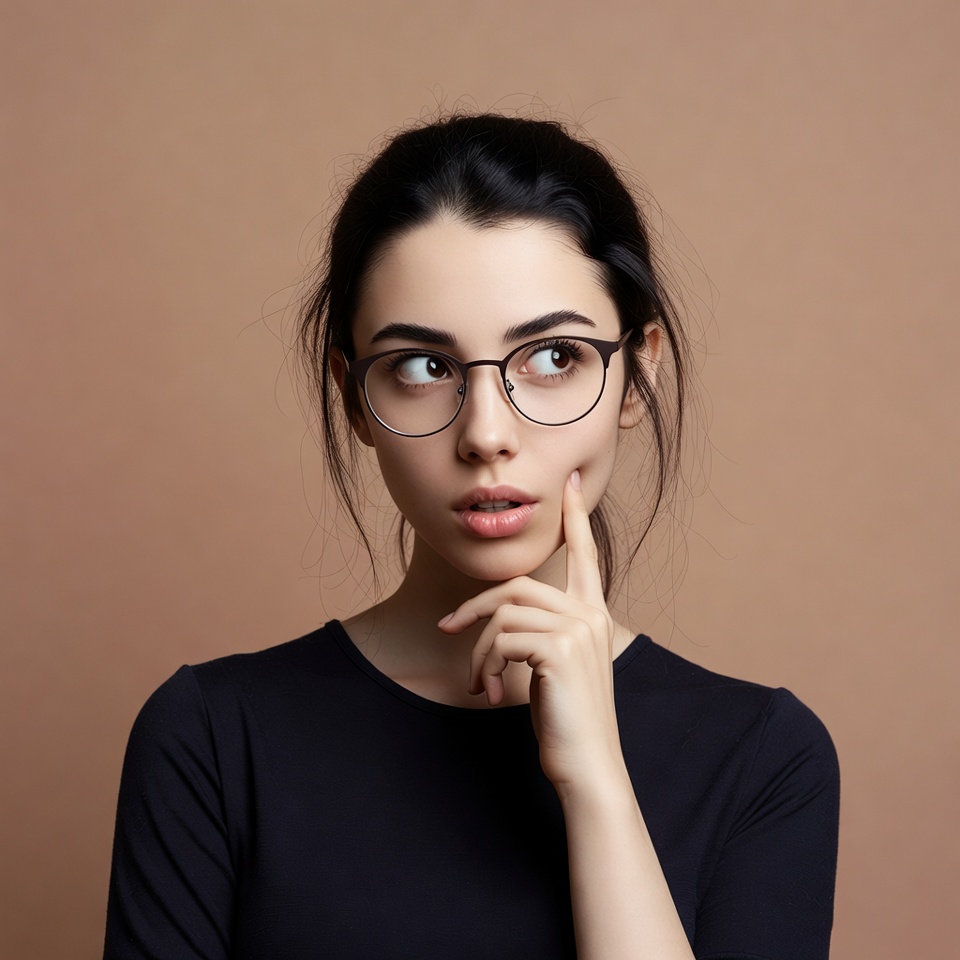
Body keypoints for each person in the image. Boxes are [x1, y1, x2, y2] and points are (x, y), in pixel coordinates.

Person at [103, 113, 840, 960]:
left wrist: (597, 781)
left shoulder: (763, 759)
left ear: (638, 374)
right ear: (353, 397)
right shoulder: (212, 740)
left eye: (554, 356)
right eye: (423, 367)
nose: (486, 433)